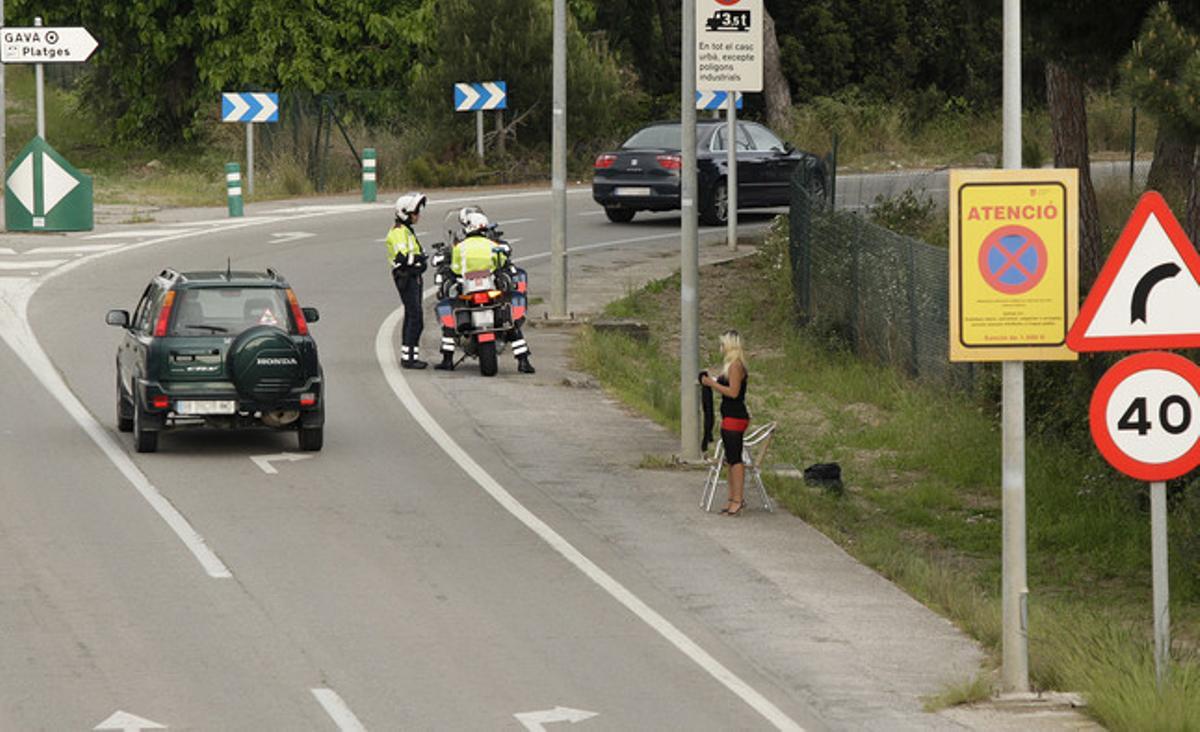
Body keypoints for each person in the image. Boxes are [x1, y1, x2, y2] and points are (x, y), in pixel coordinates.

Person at [434, 209, 535, 374]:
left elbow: (456, 268)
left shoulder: (460, 248)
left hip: (469, 292)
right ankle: (523, 361)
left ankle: (447, 359)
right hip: (490, 290)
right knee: (510, 323)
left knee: (450, 323)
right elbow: (501, 263)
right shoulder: (492, 245)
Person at [700, 330, 750, 516]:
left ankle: (737, 499)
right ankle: (733, 497)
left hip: (735, 417)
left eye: (723, 344)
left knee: (735, 459)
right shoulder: (731, 365)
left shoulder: (736, 366)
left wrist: (713, 385)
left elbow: (733, 392)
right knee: (730, 458)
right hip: (730, 416)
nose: (720, 348)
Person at [387, 192, 429, 369]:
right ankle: (409, 358)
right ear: (405, 213)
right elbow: (402, 258)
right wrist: (419, 259)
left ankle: (409, 355)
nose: (418, 215)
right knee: (415, 317)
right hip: (406, 278)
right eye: (415, 212)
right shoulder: (398, 232)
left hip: (413, 277)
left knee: (413, 316)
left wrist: (420, 259)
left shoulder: (407, 231)